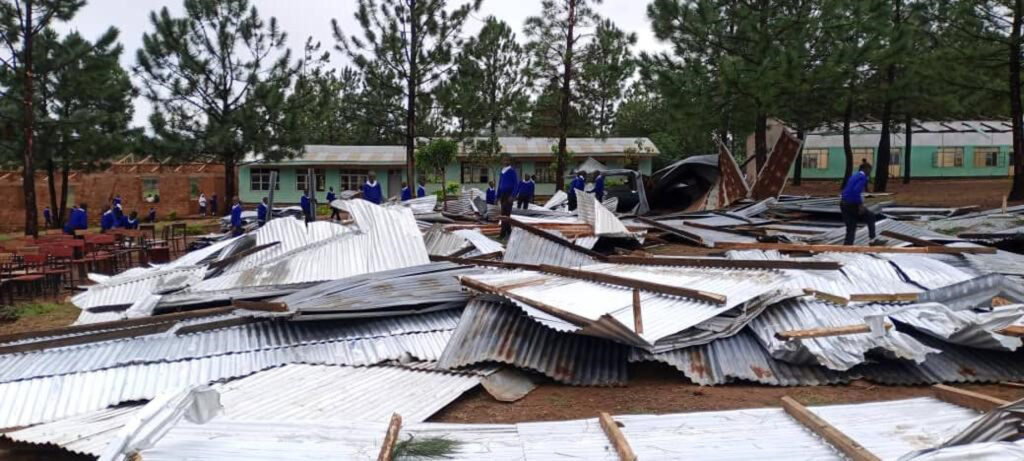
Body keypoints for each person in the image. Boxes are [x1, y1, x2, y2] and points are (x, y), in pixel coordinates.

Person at [840, 162, 877, 245]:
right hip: (852, 203)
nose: (870, 172)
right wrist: (860, 205)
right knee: (871, 217)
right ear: (866, 169)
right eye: (870, 170)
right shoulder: (862, 177)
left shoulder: (853, 176)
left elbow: (847, 190)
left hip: (843, 203)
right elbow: (856, 191)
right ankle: (873, 240)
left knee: (851, 226)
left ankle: (847, 245)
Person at [497, 158, 518, 239]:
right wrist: (497, 196)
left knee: (506, 214)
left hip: (509, 195)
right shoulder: (502, 171)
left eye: (507, 160)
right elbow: (499, 184)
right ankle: (509, 231)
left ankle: (502, 234)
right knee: (503, 213)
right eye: (504, 160)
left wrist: (512, 195)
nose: (505, 161)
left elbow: (516, 184)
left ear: (510, 161)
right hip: (502, 195)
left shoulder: (512, 171)